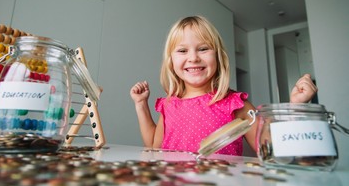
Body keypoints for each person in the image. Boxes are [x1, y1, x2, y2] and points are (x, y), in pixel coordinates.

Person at [130, 16, 317, 156]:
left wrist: (296, 107)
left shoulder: (235, 104)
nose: (193, 57)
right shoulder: (170, 104)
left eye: (203, 49)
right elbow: (154, 147)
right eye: (182, 50)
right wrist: (141, 105)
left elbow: (271, 150)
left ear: (218, 57)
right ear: (171, 61)